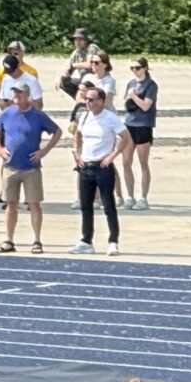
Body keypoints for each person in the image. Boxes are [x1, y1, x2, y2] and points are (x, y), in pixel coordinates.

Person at [0, 81, 61, 253]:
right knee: (10, 204)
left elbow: (57, 131)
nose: (16, 95)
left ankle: (37, 240)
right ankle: (8, 240)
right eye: (15, 92)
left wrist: (44, 151)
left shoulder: (38, 115)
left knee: (34, 204)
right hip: (10, 167)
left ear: (27, 95)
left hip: (31, 168)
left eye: (20, 93)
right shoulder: (7, 113)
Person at [70, 83, 130, 255]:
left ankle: (113, 241)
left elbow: (125, 136)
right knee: (86, 205)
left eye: (91, 99)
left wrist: (113, 155)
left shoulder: (109, 118)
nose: (88, 102)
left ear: (101, 101)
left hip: (102, 166)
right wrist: (76, 152)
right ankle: (86, 240)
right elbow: (78, 134)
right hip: (86, 165)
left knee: (108, 204)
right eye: (86, 99)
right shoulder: (85, 117)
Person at [121, 57, 159, 210]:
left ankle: (143, 197)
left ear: (145, 68)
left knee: (143, 162)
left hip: (143, 125)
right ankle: (129, 196)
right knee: (126, 161)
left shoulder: (151, 85)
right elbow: (126, 101)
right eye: (132, 68)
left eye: (137, 68)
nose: (135, 71)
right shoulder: (131, 83)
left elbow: (145, 106)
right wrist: (129, 97)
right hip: (129, 124)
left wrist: (134, 96)